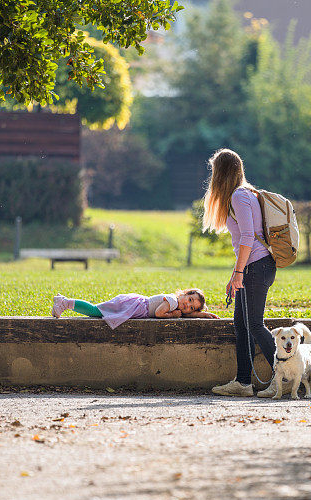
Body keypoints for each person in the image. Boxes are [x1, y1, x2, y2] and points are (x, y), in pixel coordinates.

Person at [202, 148, 279, 398]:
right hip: (254, 267)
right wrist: (235, 275)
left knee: (255, 325)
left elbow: (248, 237)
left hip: (256, 267)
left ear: (221, 173)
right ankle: (244, 382)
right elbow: (245, 241)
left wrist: (238, 272)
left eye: (214, 171)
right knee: (241, 325)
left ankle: (283, 379)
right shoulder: (244, 194)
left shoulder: (238, 196)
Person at [51, 289, 219, 329]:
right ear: (183, 294)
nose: (187, 306)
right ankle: (64, 302)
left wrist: (201, 314)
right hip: (133, 306)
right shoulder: (173, 301)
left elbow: (181, 314)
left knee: (97, 312)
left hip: (133, 304)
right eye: (189, 300)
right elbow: (160, 313)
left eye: (191, 308)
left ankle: (65, 303)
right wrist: (172, 316)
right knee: (97, 311)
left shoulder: (177, 304)